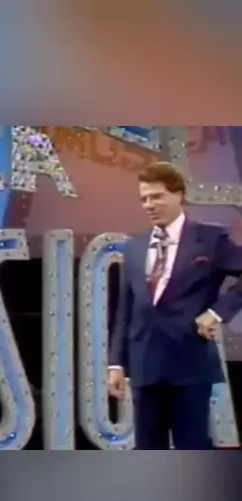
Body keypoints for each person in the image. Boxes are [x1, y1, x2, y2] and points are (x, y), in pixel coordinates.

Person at [108, 162, 242, 449]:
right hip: (144, 365)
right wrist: (116, 363)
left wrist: (217, 313)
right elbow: (125, 311)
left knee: (192, 448)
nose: (149, 205)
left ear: (179, 194)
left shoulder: (210, 238)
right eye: (144, 199)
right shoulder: (134, 248)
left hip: (189, 363)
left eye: (156, 196)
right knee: (148, 451)